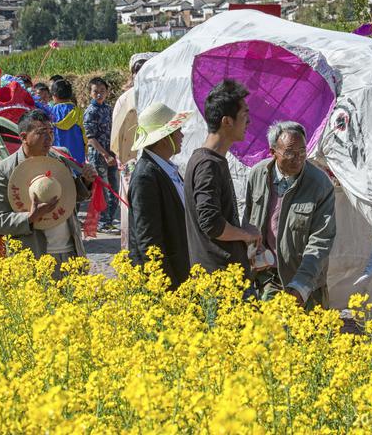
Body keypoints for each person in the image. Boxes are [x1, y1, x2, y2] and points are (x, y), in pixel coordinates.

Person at [0, 109, 97, 278]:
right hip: (35, 260)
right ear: (24, 137)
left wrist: (86, 181)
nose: (49, 138)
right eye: (41, 133)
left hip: (71, 255)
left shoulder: (61, 156)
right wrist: (30, 217)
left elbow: (68, 196)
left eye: (51, 132)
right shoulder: (3, 170)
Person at [243, 121, 336, 308]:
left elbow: (321, 240)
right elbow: (248, 220)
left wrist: (301, 286)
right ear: (273, 152)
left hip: (305, 281)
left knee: (309, 336)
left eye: (302, 152)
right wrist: (253, 251)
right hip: (268, 276)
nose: (298, 159)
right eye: (290, 153)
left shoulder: (320, 184)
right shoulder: (258, 175)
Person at [184, 79, 260, 277]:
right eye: (244, 115)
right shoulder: (208, 164)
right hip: (220, 282)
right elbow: (211, 223)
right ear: (227, 121)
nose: (248, 122)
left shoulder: (210, 160)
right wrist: (246, 236)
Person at [128, 102, 192, 288]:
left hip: (180, 270)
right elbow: (148, 241)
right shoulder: (145, 176)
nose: (182, 135)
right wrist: (166, 286)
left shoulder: (165, 169)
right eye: (177, 130)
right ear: (165, 138)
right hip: (166, 280)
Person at [111, 52, 158, 248]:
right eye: (137, 70)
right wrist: (128, 166)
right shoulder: (125, 99)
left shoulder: (160, 93)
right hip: (133, 165)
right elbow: (118, 138)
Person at [84, 77, 119, 232]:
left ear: (107, 92)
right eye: (95, 92)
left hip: (111, 154)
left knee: (114, 188)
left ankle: (108, 221)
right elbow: (91, 139)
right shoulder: (90, 112)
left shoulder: (108, 109)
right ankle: (102, 223)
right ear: (90, 94)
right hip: (99, 156)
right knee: (102, 190)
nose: (99, 94)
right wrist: (105, 154)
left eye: (102, 91)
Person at [50, 79, 87, 166]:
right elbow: (85, 135)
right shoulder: (78, 112)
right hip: (77, 156)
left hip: (59, 155)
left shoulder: (50, 113)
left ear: (54, 96)